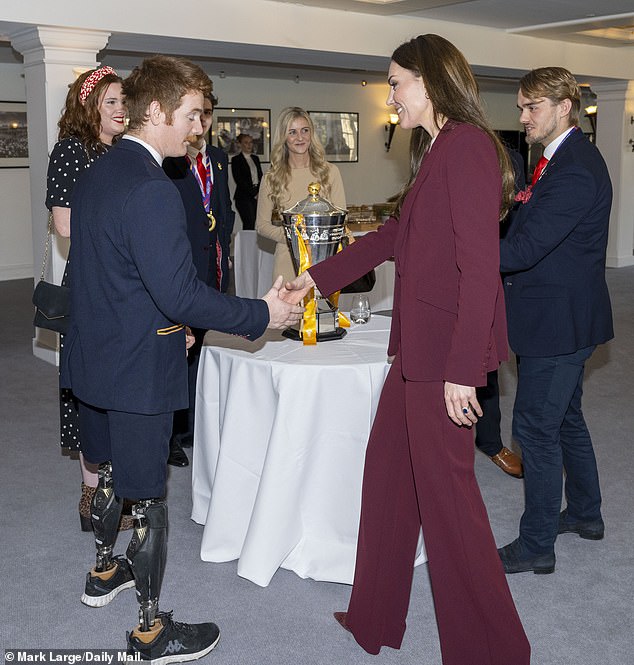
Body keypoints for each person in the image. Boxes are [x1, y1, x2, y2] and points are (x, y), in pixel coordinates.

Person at [286, 34, 530, 665]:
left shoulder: (470, 148)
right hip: (415, 353)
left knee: (453, 511)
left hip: (443, 358)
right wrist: (317, 275)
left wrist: (462, 372)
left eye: (396, 83)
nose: (391, 95)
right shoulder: (439, 147)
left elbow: (480, 270)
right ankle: (373, 617)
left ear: (431, 81)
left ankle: (494, 650)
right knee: (389, 479)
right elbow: (398, 233)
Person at [61, 55, 306, 660]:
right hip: (138, 368)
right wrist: (262, 315)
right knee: (146, 495)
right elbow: (177, 291)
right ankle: (150, 630)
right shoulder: (152, 188)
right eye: (193, 115)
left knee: (109, 473)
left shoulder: (100, 170)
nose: (200, 128)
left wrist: (172, 318)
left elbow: (110, 276)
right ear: (157, 112)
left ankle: (102, 572)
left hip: (94, 358)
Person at [497, 67, 613, 575]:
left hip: (558, 323)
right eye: (521, 107)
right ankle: (586, 513)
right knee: (565, 417)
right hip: (563, 315)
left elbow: (523, 248)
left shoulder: (575, 169)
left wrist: (458, 245)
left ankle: (536, 545)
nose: (522, 117)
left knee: (535, 428)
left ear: (564, 106)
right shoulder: (557, 159)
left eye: (531, 107)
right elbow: (528, 226)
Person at [45, 66, 133, 531]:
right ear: (90, 105)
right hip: (89, 284)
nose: (121, 110)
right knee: (86, 386)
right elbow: (63, 225)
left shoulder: (129, 153)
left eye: (124, 102)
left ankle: (120, 487)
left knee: (120, 382)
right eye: (112, 102)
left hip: (127, 282)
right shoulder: (69, 152)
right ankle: (90, 498)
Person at [163, 85, 235, 467]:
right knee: (179, 349)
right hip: (182, 266)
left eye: (207, 114)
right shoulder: (172, 160)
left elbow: (223, 212)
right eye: (196, 113)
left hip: (213, 265)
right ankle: (173, 433)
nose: (201, 122)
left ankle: (195, 424)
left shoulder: (218, 158)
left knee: (204, 348)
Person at [474, 148, 527, 480]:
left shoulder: (507, 156)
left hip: (497, 266)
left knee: (488, 357)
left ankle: (490, 442)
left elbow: (515, 218)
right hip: (451, 269)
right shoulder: (434, 150)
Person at [256, 107, 345, 283]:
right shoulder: (271, 178)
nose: (300, 137)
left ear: (312, 134)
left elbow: (341, 220)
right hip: (287, 260)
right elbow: (261, 225)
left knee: (322, 310)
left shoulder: (330, 172)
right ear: (284, 138)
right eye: (292, 132)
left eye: (305, 130)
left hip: (324, 260)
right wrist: (291, 237)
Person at [231, 133, 263, 230]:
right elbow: (239, 180)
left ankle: (254, 245)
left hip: (256, 195)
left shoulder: (255, 158)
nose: (249, 145)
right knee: (249, 223)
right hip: (244, 197)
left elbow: (260, 177)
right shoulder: (236, 160)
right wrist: (254, 194)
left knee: (258, 224)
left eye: (251, 142)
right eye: (246, 142)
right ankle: (247, 245)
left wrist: (259, 192)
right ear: (240, 144)